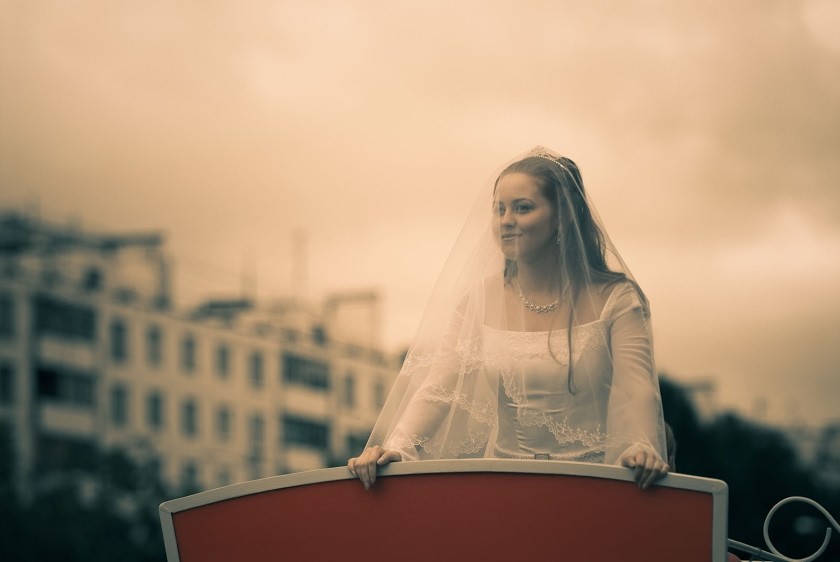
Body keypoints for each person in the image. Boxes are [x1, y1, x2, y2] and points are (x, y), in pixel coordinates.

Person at [348, 146, 669, 490]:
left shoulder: (616, 299)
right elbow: (439, 388)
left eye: (523, 208)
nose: (506, 220)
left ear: (562, 216)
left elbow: (638, 390)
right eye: (499, 209)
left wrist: (643, 447)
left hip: (590, 485)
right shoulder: (479, 299)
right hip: (505, 486)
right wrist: (398, 448)